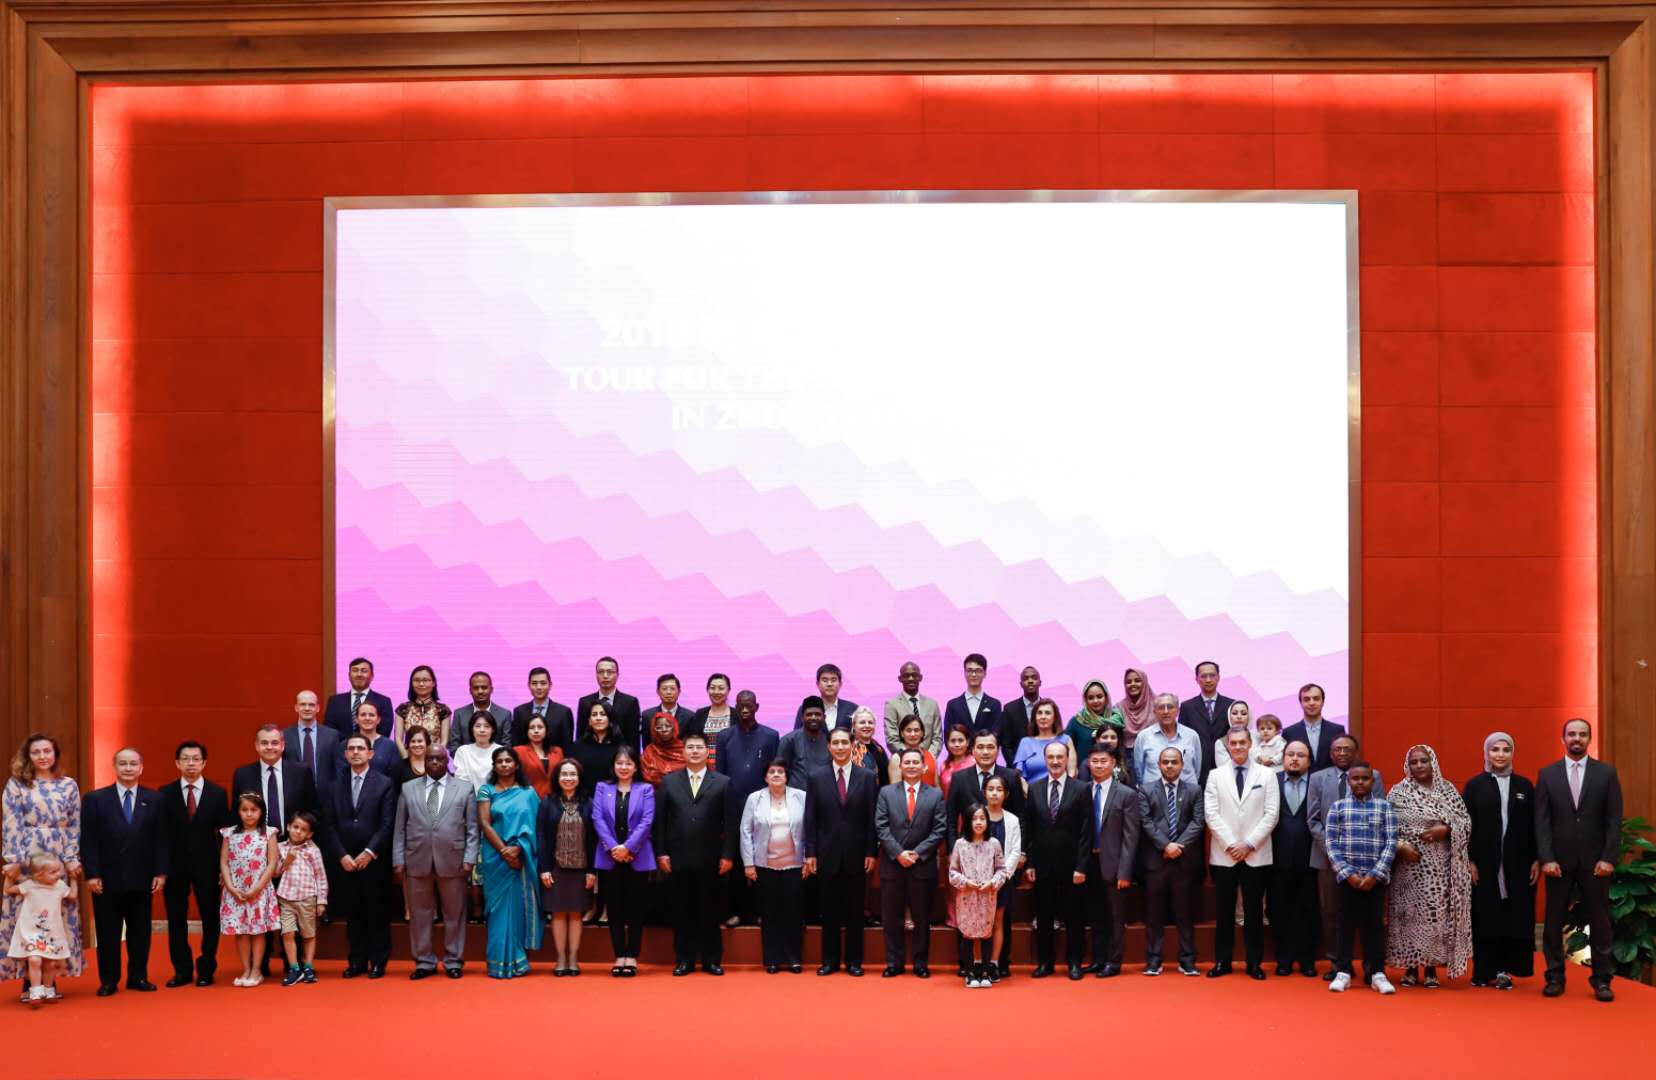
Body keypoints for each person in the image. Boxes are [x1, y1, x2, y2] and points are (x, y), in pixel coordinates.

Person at [1536, 717, 1622, 1002]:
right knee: (1553, 922)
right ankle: (1555, 977)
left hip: (1596, 862)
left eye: (1582, 734)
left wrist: (1609, 857)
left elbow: (1613, 819)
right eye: (1571, 734)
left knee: (1600, 922)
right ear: (1563, 739)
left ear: (1589, 739)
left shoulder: (1606, 774)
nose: (1576, 738)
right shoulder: (1547, 774)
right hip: (1558, 863)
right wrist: (1546, 857)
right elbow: (1542, 822)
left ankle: (1601, 981)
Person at [1, 734, 85, 998]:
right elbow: (10, 822)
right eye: (36, 752)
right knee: (27, 914)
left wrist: (72, 857)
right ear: (28, 756)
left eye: (47, 751)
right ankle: (29, 978)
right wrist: (12, 860)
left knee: (56, 914)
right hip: (28, 855)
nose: (42, 756)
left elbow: (74, 824)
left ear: (55, 754)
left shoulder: (68, 785)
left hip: (58, 854)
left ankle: (50, 978)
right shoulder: (17, 785)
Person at [82, 746, 168, 995]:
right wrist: (92, 874)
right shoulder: (95, 799)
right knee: (107, 932)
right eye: (123, 763)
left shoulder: (155, 799)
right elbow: (88, 840)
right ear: (114, 766)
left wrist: (161, 873)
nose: (128, 768)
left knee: (140, 931)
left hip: (142, 877)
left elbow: (161, 839)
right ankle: (109, 979)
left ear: (141, 768)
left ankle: (138, 976)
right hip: (106, 879)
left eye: (133, 764)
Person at [1387, 743, 1474, 987]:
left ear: (1432, 762)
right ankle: (1411, 968)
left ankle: (1432, 969)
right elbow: (1385, 825)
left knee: (1435, 918)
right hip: (1407, 868)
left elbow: (1465, 822)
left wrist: (1444, 829)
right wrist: (1401, 846)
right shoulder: (1397, 792)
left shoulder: (1447, 790)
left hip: (1439, 868)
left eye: (1423, 761)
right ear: (1408, 766)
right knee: (1408, 916)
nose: (1418, 766)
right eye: (1413, 762)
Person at [392, 744, 478, 980]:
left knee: (454, 914)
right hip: (416, 860)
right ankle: (424, 961)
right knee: (420, 914)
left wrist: (470, 858)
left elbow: (472, 828)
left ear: (447, 761)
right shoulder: (408, 789)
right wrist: (398, 859)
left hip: (454, 860)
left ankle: (453, 960)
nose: (435, 763)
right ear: (424, 761)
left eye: (440, 759)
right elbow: (399, 828)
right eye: (430, 759)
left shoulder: (464, 788)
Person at [1463, 731, 1539, 989]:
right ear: (1486, 753)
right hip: (1484, 863)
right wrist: (1469, 860)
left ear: (1512, 753)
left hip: (1518, 863)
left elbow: (1535, 826)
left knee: (1512, 914)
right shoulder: (1474, 786)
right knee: (1486, 914)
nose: (1500, 755)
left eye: (1506, 750)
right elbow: (1466, 827)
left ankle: (1506, 969)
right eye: (1495, 750)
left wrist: (1537, 859)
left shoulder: (1525, 786)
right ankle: (1483, 971)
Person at [655, 732, 735, 975]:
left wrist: (728, 855)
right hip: (677, 858)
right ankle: (684, 959)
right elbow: (660, 822)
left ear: (707, 751)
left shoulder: (722, 782)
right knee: (682, 911)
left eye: (699, 747)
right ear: (683, 751)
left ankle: (711, 960)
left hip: (711, 859)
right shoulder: (669, 781)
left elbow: (730, 823)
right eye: (690, 747)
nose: (695, 751)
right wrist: (662, 853)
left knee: (710, 912)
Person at [1307, 733, 1385, 978]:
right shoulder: (1318, 778)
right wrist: (1335, 852)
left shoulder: (1375, 776)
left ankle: (1371, 964)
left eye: (1347, 749)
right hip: (1327, 859)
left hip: (1367, 859)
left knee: (1367, 915)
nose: (1342, 753)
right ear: (1331, 753)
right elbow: (1313, 820)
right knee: (1331, 912)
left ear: (1356, 752)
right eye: (1337, 749)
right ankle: (1338, 963)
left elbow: (1380, 815)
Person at [1203, 727, 1279, 979]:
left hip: (1255, 854)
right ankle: (1223, 962)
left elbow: (1271, 814)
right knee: (1223, 912)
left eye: (1241, 742)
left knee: (1254, 911)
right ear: (1227, 746)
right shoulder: (1215, 775)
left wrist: (1248, 844)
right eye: (1232, 743)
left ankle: (1254, 963)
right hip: (1224, 854)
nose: (1237, 747)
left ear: (1250, 744)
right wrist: (1231, 844)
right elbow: (1211, 814)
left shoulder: (1267, 775)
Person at [803, 727, 878, 976]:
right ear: (829, 747)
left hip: (858, 855)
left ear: (852, 745)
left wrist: (871, 852)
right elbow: (810, 818)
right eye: (835, 743)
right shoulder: (816, 777)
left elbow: (871, 819)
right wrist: (810, 852)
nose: (840, 747)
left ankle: (854, 962)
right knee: (830, 911)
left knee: (855, 912)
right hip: (826, 855)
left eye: (845, 742)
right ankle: (830, 961)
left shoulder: (867, 777)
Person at [323, 733, 396, 979]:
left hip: (374, 860)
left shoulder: (384, 783)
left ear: (370, 754)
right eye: (351, 749)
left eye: (360, 748)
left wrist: (369, 852)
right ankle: (356, 961)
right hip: (345, 862)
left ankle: (378, 961)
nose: (355, 752)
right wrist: (342, 855)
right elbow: (328, 825)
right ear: (345, 755)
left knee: (376, 912)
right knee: (353, 914)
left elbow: (387, 823)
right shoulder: (334, 785)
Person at [160, 739, 230, 988]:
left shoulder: (217, 793)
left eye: (196, 759)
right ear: (177, 763)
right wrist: (161, 868)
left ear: (204, 763)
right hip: (174, 867)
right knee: (176, 919)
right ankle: (181, 970)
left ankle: (206, 968)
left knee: (211, 918)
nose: (191, 764)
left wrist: (226, 869)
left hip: (208, 865)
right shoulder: (164, 793)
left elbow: (225, 835)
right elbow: (161, 834)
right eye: (186, 759)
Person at [1325, 761, 1398, 994]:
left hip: (1375, 880)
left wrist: (1376, 874)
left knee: (1374, 926)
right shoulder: (1338, 808)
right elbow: (1331, 844)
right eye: (1355, 778)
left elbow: (1391, 843)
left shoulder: (1385, 808)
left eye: (1365, 778)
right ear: (1349, 781)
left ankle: (1376, 972)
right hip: (1348, 879)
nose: (1360, 782)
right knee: (1344, 925)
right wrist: (1348, 874)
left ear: (1372, 781)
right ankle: (1343, 971)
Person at [875, 748, 947, 977]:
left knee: (922, 918)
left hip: (922, 866)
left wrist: (916, 854)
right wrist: (898, 853)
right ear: (901, 766)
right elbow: (881, 827)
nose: (912, 765)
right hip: (892, 864)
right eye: (908, 762)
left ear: (924, 767)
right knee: (892, 918)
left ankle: (920, 964)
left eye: (917, 762)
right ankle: (894, 963)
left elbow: (939, 830)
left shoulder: (935, 795)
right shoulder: (886, 792)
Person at [1023, 741, 1089, 979]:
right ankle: (1045, 963)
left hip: (1072, 865)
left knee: (1074, 916)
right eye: (1050, 757)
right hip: (1042, 865)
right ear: (1045, 759)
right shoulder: (1035, 788)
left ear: (1067, 758)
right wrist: (1029, 862)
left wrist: (1082, 866)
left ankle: (1074, 963)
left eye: (1060, 756)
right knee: (1044, 915)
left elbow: (1086, 832)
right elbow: (1029, 829)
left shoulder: (1081, 789)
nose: (1055, 761)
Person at [712, 690, 778, 928]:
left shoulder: (771, 736)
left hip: (763, 808)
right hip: (733, 808)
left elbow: (775, 773)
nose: (745, 708)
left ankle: (762, 911)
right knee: (737, 863)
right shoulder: (725, 736)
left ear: (757, 707)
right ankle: (737, 911)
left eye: (749, 704)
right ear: (735, 707)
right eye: (741, 705)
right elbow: (719, 776)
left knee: (762, 861)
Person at [1138, 745, 1205, 976]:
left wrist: (1179, 846)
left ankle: (1187, 960)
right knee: (1154, 914)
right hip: (1156, 862)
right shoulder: (1146, 790)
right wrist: (1165, 845)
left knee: (1184, 914)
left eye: (1174, 762)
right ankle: (1153, 960)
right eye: (1165, 762)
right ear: (1158, 765)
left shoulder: (1194, 790)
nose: (1169, 765)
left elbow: (1198, 822)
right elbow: (1146, 822)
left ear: (1182, 765)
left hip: (1184, 863)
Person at [477, 746, 542, 978]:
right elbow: (484, 824)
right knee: (497, 910)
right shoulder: (486, 791)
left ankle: (517, 960)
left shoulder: (528, 793)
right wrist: (505, 851)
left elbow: (536, 827)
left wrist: (519, 850)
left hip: (522, 857)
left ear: (516, 765)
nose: (504, 764)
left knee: (517, 909)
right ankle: (497, 963)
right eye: (500, 761)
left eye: (508, 761)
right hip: (495, 857)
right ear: (494, 766)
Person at [739, 760, 809, 973]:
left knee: (793, 913)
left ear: (787, 776)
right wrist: (749, 863)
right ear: (765, 777)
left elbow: (810, 830)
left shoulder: (801, 797)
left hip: (795, 865)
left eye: (781, 771)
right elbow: (745, 831)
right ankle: (772, 959)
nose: (777, 775)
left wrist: (808, 859)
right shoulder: (755, 798)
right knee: (770, 914)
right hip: (764, 865)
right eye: (772, 772)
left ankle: (794, 958)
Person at [592, 745, 654, 976]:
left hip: (637, 857)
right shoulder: (602, 788)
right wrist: (614, 848)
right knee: (615, 908)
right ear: (613, 766)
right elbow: (597, 818)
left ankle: (633, 955)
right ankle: (619, 955)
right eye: (620, 763)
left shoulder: (645, 789)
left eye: (628, 763)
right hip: (610, 858)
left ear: (636, 766)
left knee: (635, 908)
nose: (624, 767)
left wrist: (628, 848)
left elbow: (647, 821)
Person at [1080, 745, 1139, 978]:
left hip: (1114, 865)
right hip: (1089, 863)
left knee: (1115, 917)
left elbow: (1131, 837)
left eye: (1104, 761)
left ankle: (1114, 963)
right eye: (1095, 761)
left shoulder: (1126, 794)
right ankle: (1098, 959)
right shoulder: (1083, 791)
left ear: (1113, 763)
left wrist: (1125, 872)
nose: (1099, 765)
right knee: (1095, 916)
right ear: (1088, 763)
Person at [536, 759, 596, 977]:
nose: (568, 778)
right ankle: (561, 958)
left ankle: (574, 958)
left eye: (572, 774)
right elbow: (541, 837)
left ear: (579, 778)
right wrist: (543, 868)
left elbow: (594, 839)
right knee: (559, 914)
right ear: (557, 778)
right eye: (564, 774)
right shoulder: (547, 803)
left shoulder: (589, 803)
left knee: (576, 914)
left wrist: (592, 870)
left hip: (582, 868)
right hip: (555, 867)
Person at [219, 792, 280, 988]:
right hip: (236, 891)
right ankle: (245, 968)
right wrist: (230, 886)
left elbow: (272, 864)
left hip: (258, 890)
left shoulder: (268, 833)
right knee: (241, 931)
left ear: (261, 811)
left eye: (254, 810)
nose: (249, 814)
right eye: (244, 810)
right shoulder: (229, 833)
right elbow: (224, 862)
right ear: (238, 812)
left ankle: (256, 969)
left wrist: (257, 888)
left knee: (257, 931)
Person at [1270, 740, 1320, 976]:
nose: (1295, 759)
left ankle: (1307, 960)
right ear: (1283, 757)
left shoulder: (1318, 782)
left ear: (1309, 760)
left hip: (1310, 858)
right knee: (1279, 910)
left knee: (1308, 910)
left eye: (1301, 755)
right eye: (1290, 754)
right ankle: (1284, 959)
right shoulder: (1272, 780)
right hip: (1276, 859)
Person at [949, 803, 1011, 988]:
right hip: (966, 897)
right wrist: (965, 882)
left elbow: (1002, 870)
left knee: (986, 934)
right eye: (974, 818)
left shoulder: (994, 844)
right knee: (967, 935)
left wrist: (992, 883)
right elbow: (952, 872)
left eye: (982, 818)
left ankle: (985, 972)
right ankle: (969, 973)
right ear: (967, 822)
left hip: (987, 896)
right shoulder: (960, 844)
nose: (978, 822)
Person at [4, 853, 74, 1004]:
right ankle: (35, 992)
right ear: (38, 874)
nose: (59, 874)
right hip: (31, 931)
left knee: (50, 962)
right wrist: (8, 876)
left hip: (52, 932)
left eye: (59, 871)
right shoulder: (29, 885)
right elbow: (9, 890)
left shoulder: (59, 886)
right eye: (53, 872)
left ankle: (48, 990)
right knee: (35, 960)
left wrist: (74, 878)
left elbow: (72, 895)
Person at [232, 725, 321, 842]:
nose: (269, 747)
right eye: (264, 743)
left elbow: (313, 810)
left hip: (293, 845)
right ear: (256, 746)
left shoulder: (301, 772)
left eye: (274, 743)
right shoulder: (242, 775)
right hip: (256, 846)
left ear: (282, 746)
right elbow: (236, 813)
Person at [274, 810, 327, 985]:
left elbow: (320, 876)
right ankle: (294, 968)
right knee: (287, 933)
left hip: (307, 897)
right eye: (295, 827)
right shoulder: (281, 848)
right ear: (288, 827)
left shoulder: (313, 850)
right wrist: (285, 862)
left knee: (308, 934)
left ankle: (308, 967)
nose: (298, 831)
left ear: (309, 834)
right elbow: (274, 873)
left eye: (303, 829)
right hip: (286, 897)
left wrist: (321, 901)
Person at [982, 775, 1023, 979]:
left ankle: (994, 963)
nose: (995, 793)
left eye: (999, 789)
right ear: (984, 792)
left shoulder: (1013, 820)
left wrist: (1001, 876)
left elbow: (1015, 851)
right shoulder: (977, 817)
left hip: (1002, 880)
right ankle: (978, 963)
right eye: (991, 789)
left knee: (998, 923)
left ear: (1006, 794)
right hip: (978, 882)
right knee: (980, 923)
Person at [1178, 661, 1236, 784]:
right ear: (1196, 679)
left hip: (1226, 766)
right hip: (1197, 768)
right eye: (1203, 676)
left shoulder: (1231, 705)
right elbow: (1183, 739)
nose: (1208, 680)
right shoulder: (1187, 707)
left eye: (1212, 675)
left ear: (1218, 677)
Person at [283, 690, 342, 803]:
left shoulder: (332, 735)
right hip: (294, 797)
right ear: (296, 707)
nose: (307, 708)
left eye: (311, 705)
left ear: (318, 708)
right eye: (303, 704)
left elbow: (337, 768)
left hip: (325, 799)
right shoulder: (285, 735)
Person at [1132, 692, 1201, 786]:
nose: (1165, 711)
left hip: (1187, 797)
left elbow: (1197, 769)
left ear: (1178, 710)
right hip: (1153, 796)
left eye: (1170, 707)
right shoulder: (1143, 736)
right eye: (1161, 707)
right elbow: (1139, 771)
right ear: (1154, 711)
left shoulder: (1192, 736)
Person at [578, 656, 643, 750]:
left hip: (620, 758)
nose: (605, 676)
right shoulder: (585, 702)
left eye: (610, 672)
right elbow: (581, 735)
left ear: (617, 674)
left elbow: (633, 738)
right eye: (601, 672)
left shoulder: (630, 702)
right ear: (596, 675)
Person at [1282, 682, 1345, 773]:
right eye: (1307, 699)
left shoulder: (1337, 730)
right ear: (1301, 703)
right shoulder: (1289, 732)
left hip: (1329, 783)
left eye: (1316, 699)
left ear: (1323, 702)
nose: (1312, 703)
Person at [883, 661, 942, 756]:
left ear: (920, 677)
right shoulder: (891, 705)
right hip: (903, 763)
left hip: (928, 762)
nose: (911, 678)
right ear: (900, 679)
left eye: (914, 675)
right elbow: (892, 739)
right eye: (906, 675)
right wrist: (911, 758)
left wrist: (928, 758)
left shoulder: (932, 704)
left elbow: (937, 738)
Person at [326, 656, 395, 737]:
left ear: (372, 676)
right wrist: (349, 745)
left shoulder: (384, 701)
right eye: (355, 670)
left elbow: (385, 731)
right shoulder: (335, 701)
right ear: (349, 675)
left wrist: (364, 746)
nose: (359, 674)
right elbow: (330, 730)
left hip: (374, 748)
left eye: (364, 671)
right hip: (342, 748)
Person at [943, 652, 1003, 743]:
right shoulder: (953, 705)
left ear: (985, 673)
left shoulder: (994, 704)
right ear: (965, 673)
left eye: (978, 670)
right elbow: (948, 735)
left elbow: (996, 734)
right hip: (960, 755)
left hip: (986, 754)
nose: (974, 674)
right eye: (970, 670)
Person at [511, 666, 574, 752]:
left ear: (550, 685)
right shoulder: (519, 712)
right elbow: (516, 744)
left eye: (543, 683)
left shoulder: (563, 712)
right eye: (534, 683)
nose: (539, 687)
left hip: (555, 761)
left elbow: (567, 745)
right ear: (529, 685)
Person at [1013, 698, 1074, 783]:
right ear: (1034, 717)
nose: (1043, 717)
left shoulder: (1066, 740)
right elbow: (1019, 776)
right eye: (1039, 713)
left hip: (1061, 793)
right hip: (1031, 793)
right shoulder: (1025, 742)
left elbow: (1072, 772)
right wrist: (1029, 793)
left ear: (1055, 717)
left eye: (1047, 713)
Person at [391, 664, 452, 749]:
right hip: (408, 757)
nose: (421, 684)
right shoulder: (403, 709)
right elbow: (398, 739)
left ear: (433, 683)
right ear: (411, 683)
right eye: (416, 680)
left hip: (434, 759)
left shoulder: (442, 709)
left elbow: (445, 741)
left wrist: (436, 756)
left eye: (425, 680)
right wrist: (405, 758)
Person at [451, 671, 514, 752]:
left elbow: (506, 746)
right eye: (476, 688)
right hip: (466, 763)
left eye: (484, 687)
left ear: (491, 689)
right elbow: (454, 747)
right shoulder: (459, 714)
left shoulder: (505, 714)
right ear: (470, 690)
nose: (480, 691)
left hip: (495, 763)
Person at [1065, 678, 1124, 763]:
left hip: (1113, 773)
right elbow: (1066, 750)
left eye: (1099, 697)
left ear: (1106, 697)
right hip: (1083, 773)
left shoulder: (1116, 720)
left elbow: (1121, 750)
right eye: (1091, 698)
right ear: (1085, 700)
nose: (1095, 701)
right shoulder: (1076, 722)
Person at [778, 697, 833, 789]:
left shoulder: (831, 741)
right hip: (796, 798)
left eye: (817, 714)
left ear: (824, 717)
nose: (813, 718)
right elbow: (780, 772)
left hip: (825, 796)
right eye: (809, 714)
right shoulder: (788, 740)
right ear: (802, 717)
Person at [571, 700, 623, 797]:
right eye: (594, 715)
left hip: (612, 799)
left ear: (610, 719)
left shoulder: (621, 747)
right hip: (583, 801)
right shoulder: (577, 747)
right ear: (589, 721)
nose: (598, 718)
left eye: (603, 714)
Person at [793, 663, 860, 731]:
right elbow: (796, 736)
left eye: (833, 680)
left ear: (840, 684)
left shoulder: (853, 709)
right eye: (825, 680)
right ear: (817, 684)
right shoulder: (806, 709)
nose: (829, 684)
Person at [1000, 666, 1044, 768]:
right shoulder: (1009, 709)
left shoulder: (1049, 708)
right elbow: (1006, 745)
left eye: (1034, 677)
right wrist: (1016, 769)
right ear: (1020, 684)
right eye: (1026, 678)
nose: (1030, 681)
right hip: (1017, 769)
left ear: (1040, 682)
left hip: (1044, 768)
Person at [451, 712, 504, 792]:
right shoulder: (463, 751)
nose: (482, 730)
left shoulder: (501, 751)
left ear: (493, 730)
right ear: (472, 729)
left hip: (496, 798)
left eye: (487, 726)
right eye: (478, 726)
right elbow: (461, 782)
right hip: (469, 800)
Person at [514, 714, 564, 798]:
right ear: (527, 731)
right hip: (528, 799)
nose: (536, 731)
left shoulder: (557, 751)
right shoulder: (519, 751)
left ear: (546, 730)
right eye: (532, 728)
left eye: (540, 727)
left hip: (554, 800)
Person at [643, 673, 699, 742]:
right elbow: (646, 744)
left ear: (679, 692)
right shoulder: (647, 716)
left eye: (672, 688)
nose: (668, 692)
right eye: (664, 689)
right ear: (658, 692)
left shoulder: (690, 716)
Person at [886, 714, 939, 786]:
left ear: (922, 733)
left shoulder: (931, 756)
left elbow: (937, 787)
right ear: (902, 733)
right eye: (908, 730)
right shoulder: (897, 758)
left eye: (916, 730)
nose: (913, 734)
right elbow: (895, 793)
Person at [351, 701, 401, 775]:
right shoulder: (346, 745)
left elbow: (394, 777)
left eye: (371, 715)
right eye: (363, 715)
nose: (367, 718)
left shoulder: (390, 746)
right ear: (356, 719)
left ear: (378, 720)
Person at [641, 711, 689, 786]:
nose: (664, 729)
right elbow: (646, 775)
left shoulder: (685, 748)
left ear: (674, 727)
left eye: (668, 726)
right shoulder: (649, 751)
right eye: (659, 727)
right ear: (654, 730)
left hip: (683, 791)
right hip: (655, 793)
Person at [1117, 667, 1156, 753]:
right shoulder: (1118, 708)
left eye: (1137, 680)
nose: (1132, 684)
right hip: (1126, 756)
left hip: (1153, 753)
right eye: (1128, 682)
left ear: (1145, 682)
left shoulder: (1158, 705)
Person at [847, 706, 890, 782]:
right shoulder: (848, 749)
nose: (867, 725)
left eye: (870, 722)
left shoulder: (879, 749)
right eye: (862, 722)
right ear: (854, 725)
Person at [934, 723, 974, 801]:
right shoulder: (944, 765)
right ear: (948, 743)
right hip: (948, 810)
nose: (957, 744)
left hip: (970, 811)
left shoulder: (975, 764)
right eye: (953, 741)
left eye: (960, 740)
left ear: (968, 742)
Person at [693, 672, 736, 745]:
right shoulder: (700, 714)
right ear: (707, 690)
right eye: (712, 688)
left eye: (721, 688)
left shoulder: (737, 714)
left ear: (728, 690)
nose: (716, 692)